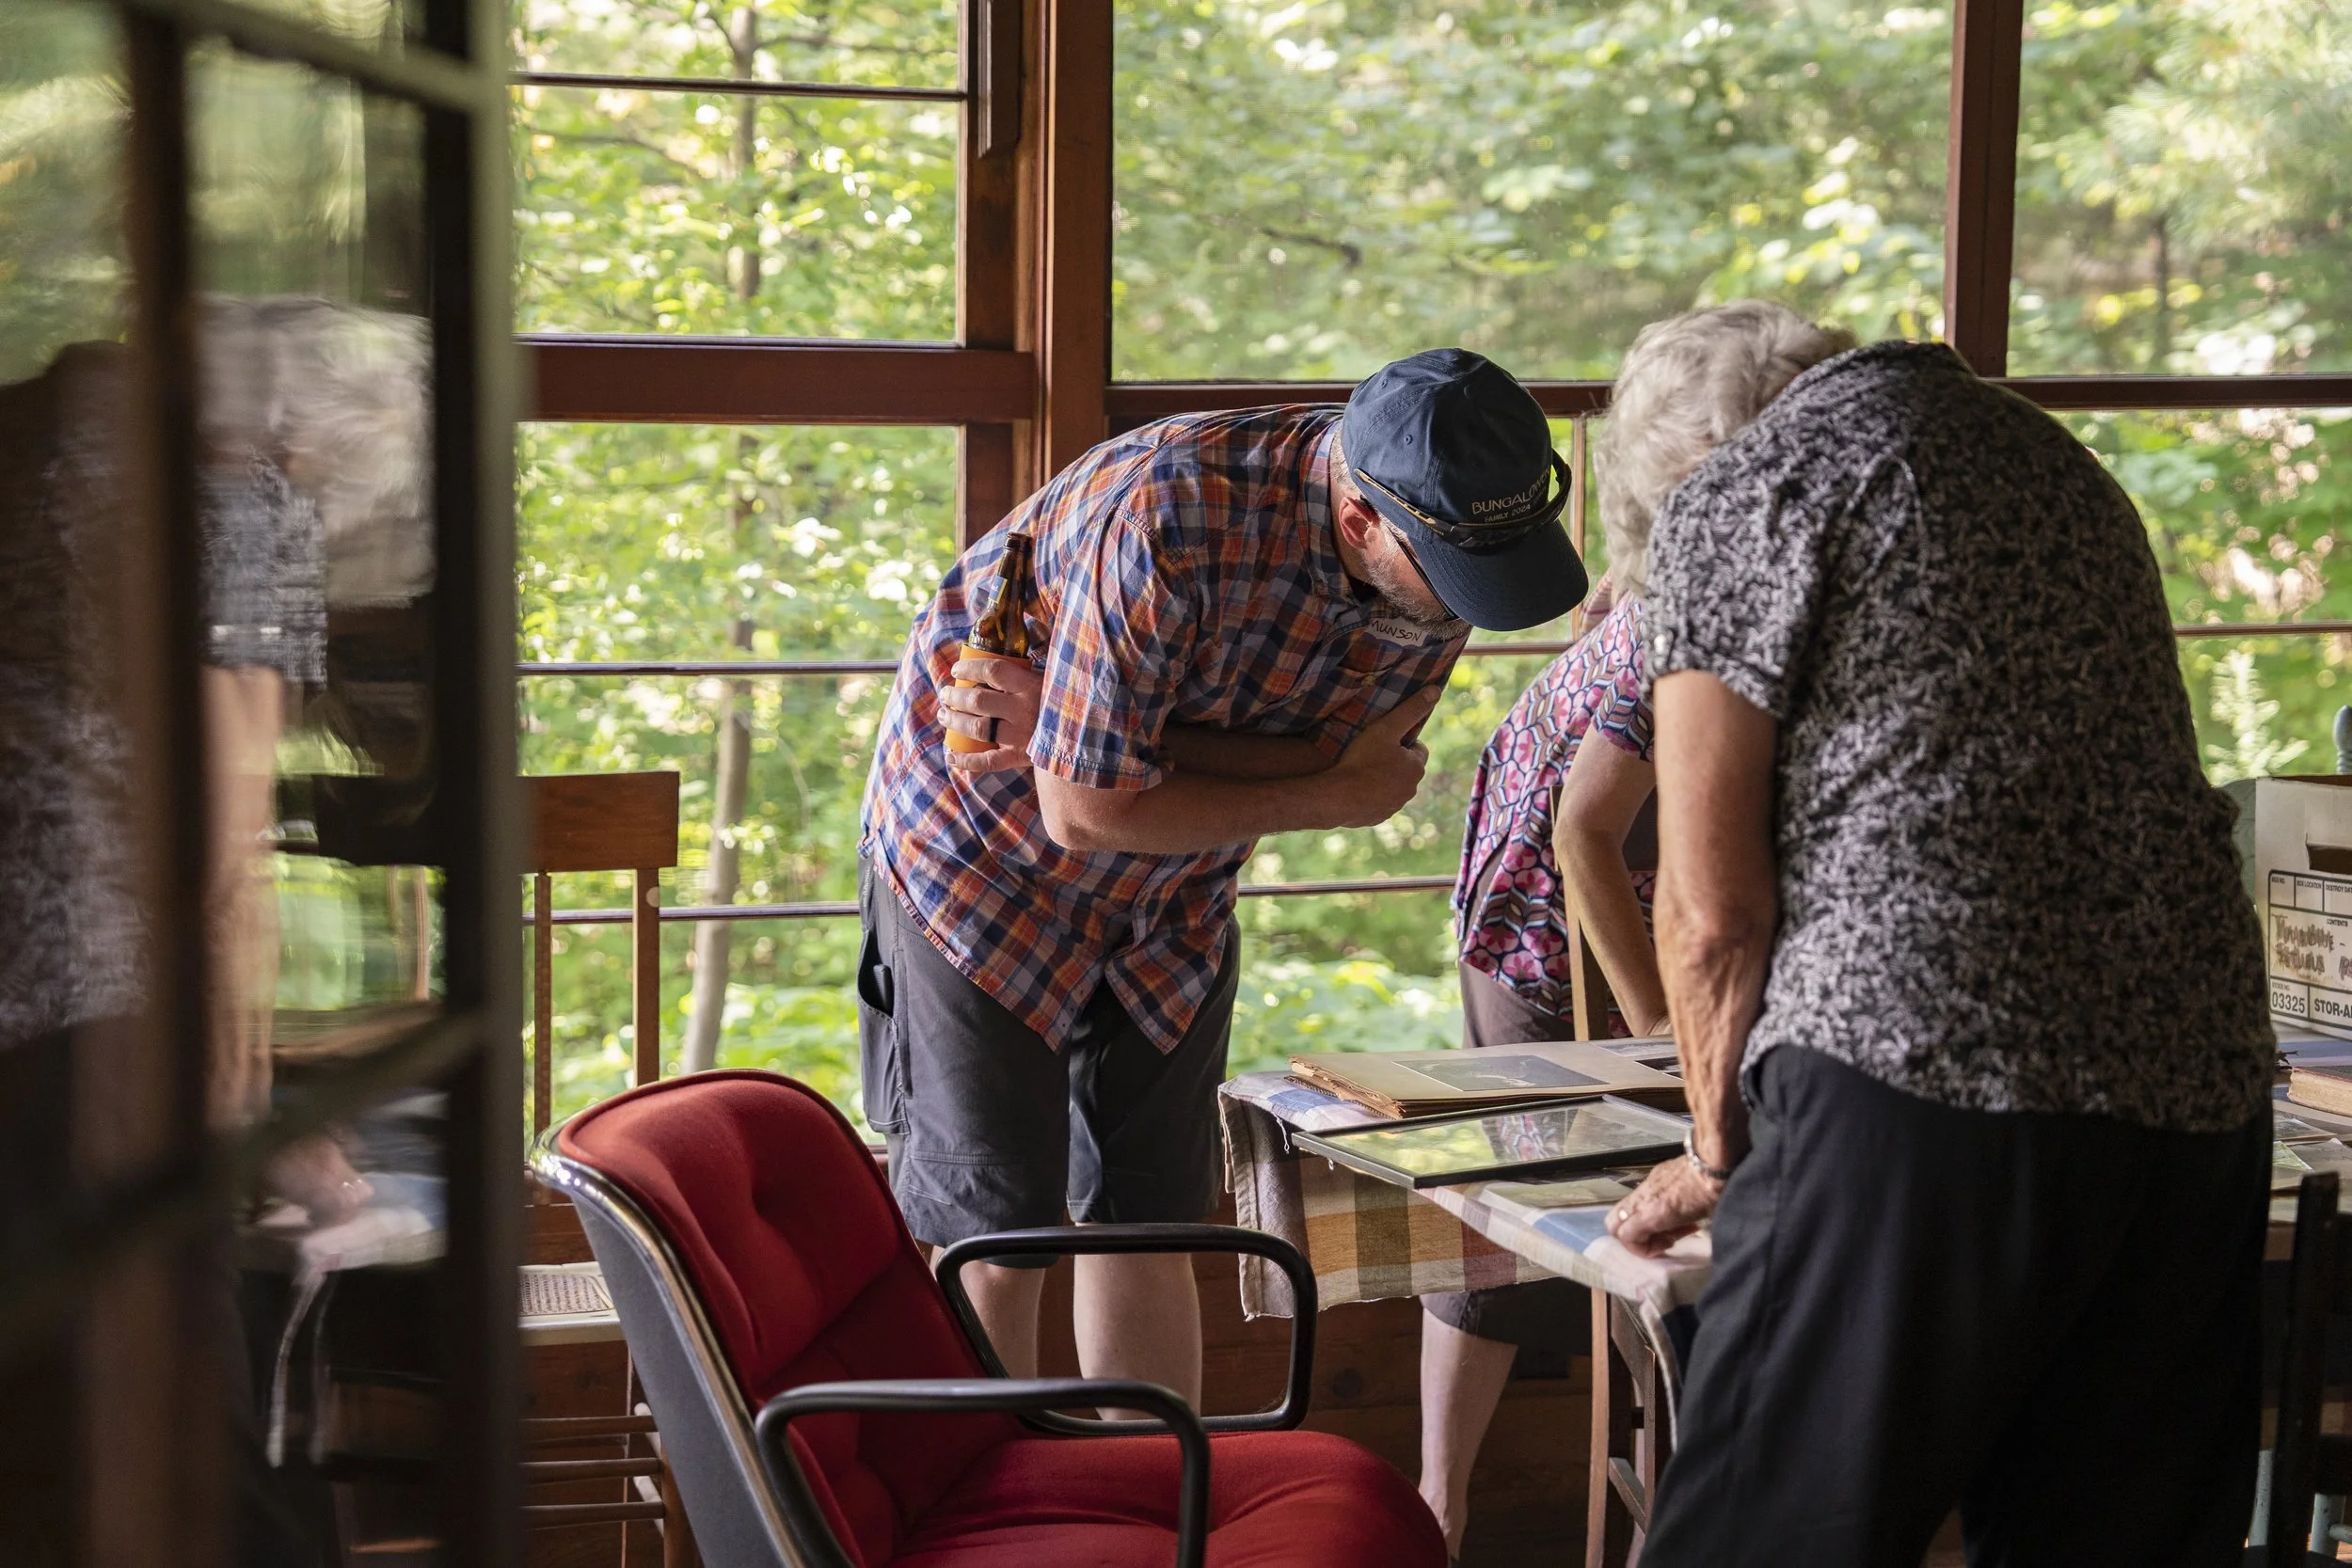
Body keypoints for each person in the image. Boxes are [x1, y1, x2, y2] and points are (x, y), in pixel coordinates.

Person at [1598, 301, 2273, 1565]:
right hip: (2197, 1082)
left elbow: (1708, 909)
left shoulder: (1745, 487)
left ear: (1686, 458)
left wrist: (1715, 1151)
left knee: (1762, 1532)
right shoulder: (2055, 463)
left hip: (1923, 1071)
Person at [858, 349, 1590, 1401]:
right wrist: (1310, 785)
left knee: (1153, 1216)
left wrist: (1102, 734)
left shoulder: (1454, 542)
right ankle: (988, 1521)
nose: (1470, 609)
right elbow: (1086, 808)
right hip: (982, 863)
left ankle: (1157, 1511)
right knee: (998, 1227)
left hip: (1176, 885)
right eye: (1455, 574)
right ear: (1359, 522)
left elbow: (1362, 758)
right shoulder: (1168, 511)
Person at [1418, 571, 1668, 1558]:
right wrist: (1653, 1028)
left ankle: (1667, 1493)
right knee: (1514, 1188)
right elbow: (1578, 830)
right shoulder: (1705, 603)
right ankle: (1439, 1506)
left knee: (1658, 1199)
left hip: (1662, 866)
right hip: (1543, 886)